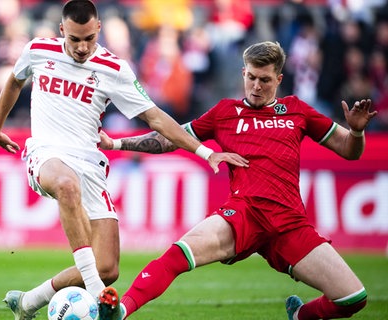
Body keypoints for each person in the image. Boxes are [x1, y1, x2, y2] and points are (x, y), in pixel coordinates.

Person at [0, 1, 248, 320]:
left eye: (88, 39)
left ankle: (28, 302)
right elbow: (15, 80)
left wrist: (204, 151)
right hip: (45, 153)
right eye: (74, 40)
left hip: (90, 164)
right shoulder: (38, 49)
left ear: (98, 29)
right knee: (67, 186)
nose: (82, 48)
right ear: (61, 32)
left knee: (107, 267)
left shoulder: (115, 69)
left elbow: (155, 118)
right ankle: (98, 295)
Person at [97, 41, 377, 320]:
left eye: (265, 80)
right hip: (244, 214)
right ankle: (121, 311)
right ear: (243, 73)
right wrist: (117, 144)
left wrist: (355, 133)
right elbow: (170, 137)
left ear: (278, 79)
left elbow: (348, 151)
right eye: (251, 77)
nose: (256, 86)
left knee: (353, 298)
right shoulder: (224, 113)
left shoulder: (297, 111)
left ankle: (301, 316)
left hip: (290, 223)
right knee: (178, 254)